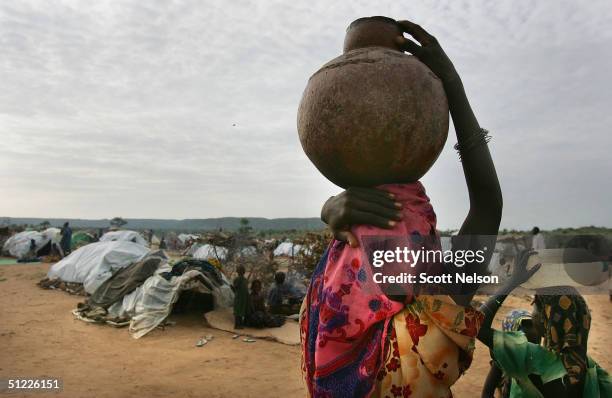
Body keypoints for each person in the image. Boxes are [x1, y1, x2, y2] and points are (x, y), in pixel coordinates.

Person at [301, 19, 503, 397]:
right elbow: (488, 205)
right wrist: (452, 86)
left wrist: (330, 209)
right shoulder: (434, 309)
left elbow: (488, 208)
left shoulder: (327, 293)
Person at [477, 250, 611, 397]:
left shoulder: (532, 360)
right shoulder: (590, 370)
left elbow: (475, 324)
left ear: (545, 317)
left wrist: (512, 283)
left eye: (534, 305)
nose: (531, 312)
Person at [232, 265, 248, 329]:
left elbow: (235, 287)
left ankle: (238, 324)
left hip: (240, 297)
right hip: (241, 297)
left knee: (239, 311)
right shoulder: (242, 279)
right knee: (239, 311)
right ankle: (238, 325)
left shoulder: (241, 279)